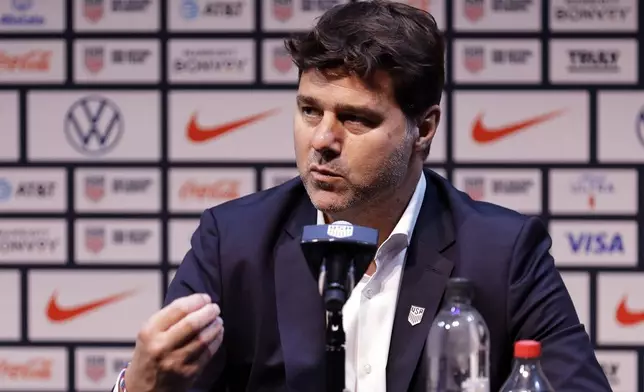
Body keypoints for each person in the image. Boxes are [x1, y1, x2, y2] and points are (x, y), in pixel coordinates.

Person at [112, 1, 611, 391]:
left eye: (356, 118)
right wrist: (138, 386)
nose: (322, 140)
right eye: (310, 110)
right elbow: (162, 382)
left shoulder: (502, 252)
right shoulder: (234, 242)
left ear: (425, 128)